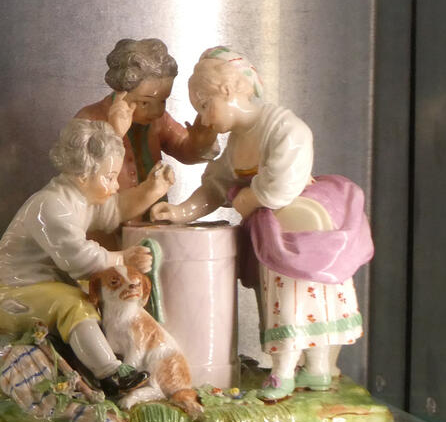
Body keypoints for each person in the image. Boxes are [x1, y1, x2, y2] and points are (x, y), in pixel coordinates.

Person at [151, 48, 373, 400]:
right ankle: (298, 369)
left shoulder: (285, 128)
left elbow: (279, 187)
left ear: (227, 90)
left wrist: (246, 198)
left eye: (205, 106)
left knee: (300, 302)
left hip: (304, 235)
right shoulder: (239, 141)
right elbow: (216, 185)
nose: (203, 120)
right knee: (281, 304)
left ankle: (303, 371)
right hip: (274, 236)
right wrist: (180, 212)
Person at [0, 119, 174, 398]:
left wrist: (152, 190)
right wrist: (122, 259)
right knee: (74, 304)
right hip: (12, 292)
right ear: (84, 175)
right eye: (109, 177)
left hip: (39, 289)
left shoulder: (79, 200)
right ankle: (111, 374)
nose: (115, 185)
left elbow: (115, 210)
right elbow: (78, 259)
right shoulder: (51, 205)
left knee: (92, 297)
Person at [75, 38, 218, 191]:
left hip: (154, 204)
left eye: (163, 101)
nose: (157, 111)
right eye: (144, 102)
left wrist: (200, 143)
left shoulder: (158, 121)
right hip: (109, 205)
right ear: (121, 91)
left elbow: (182, 147)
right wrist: (114, 134)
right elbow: (80, 172)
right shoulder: (89, 120)